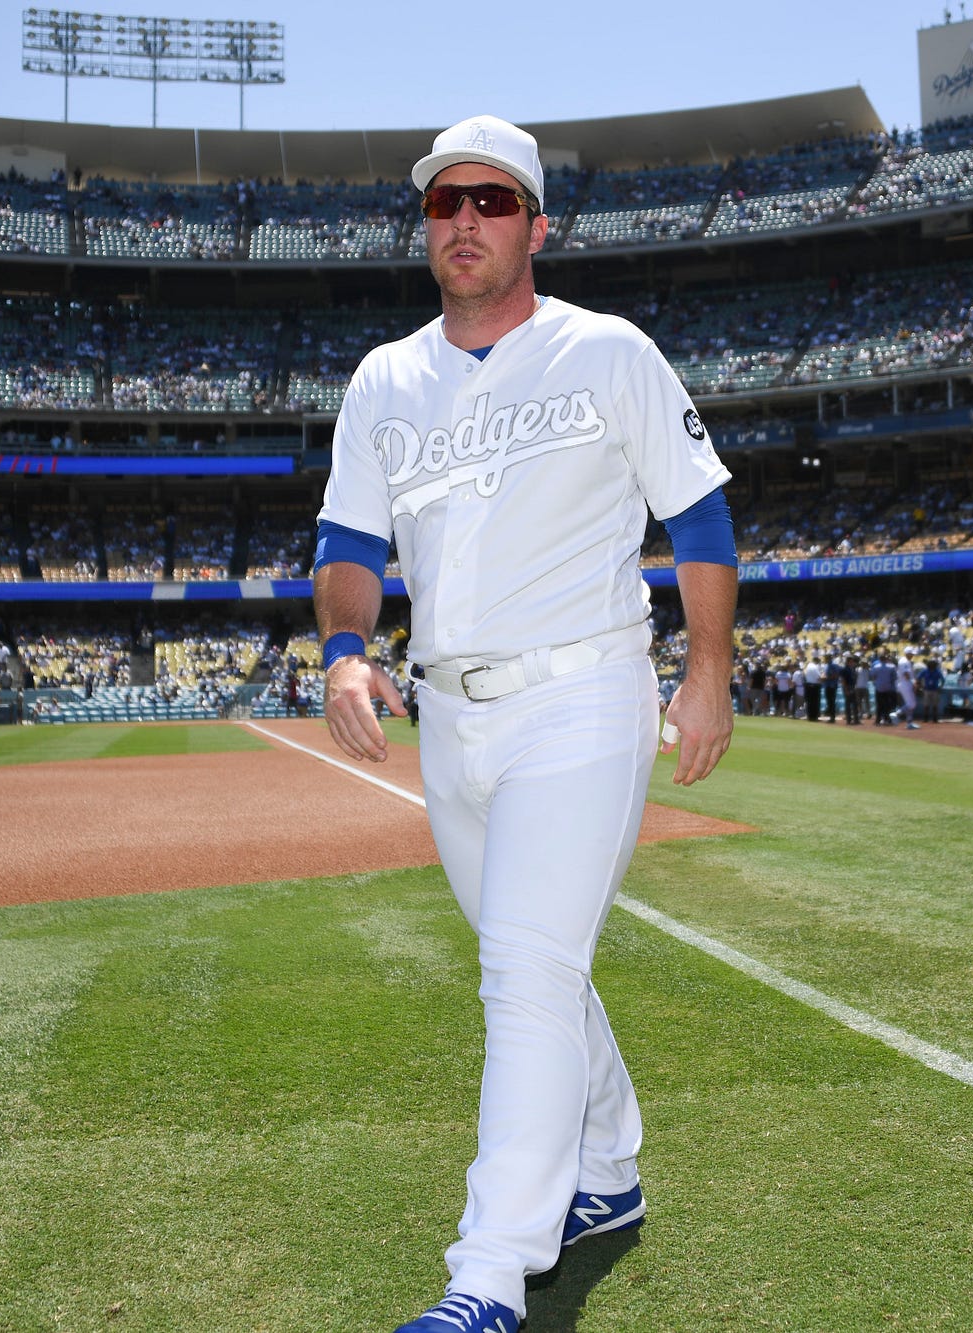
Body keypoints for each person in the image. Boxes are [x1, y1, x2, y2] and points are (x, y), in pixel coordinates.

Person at [313, 115, 738, 1333]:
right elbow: (349, 544)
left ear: (535, 224)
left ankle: (487, 1276)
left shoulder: (606, 352)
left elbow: (698, 516)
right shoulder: (383, 378)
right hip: (450, 713)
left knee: (525, 968)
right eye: (445, 202)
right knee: (534, 961)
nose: (465, 220)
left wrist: (704, 673)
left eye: (492, 201)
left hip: (583, 693)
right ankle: (603, 1173)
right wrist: (345, 652)